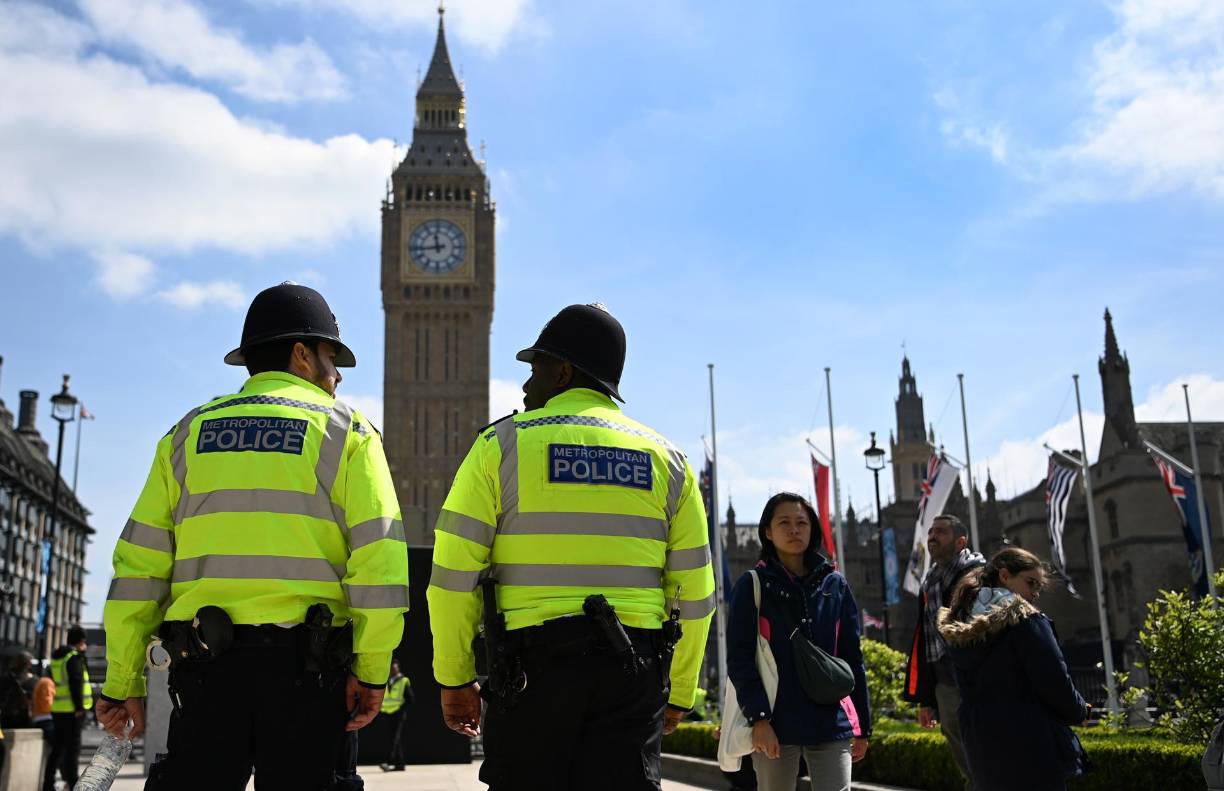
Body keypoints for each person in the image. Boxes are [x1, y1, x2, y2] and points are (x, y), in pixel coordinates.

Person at [94, 282, 410, 791]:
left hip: (204, 673)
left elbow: (139, 569)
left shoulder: (187, 434)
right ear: (302, 355)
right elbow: (380, 568)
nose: (338, 376)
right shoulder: (347, 433)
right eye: (333, 357)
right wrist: (372, 671)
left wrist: (122, 681)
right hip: (308, 677)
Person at [427, 302, 716, 791]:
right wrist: (679, 689)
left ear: (563, 372)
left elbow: (453, 579)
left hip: (531, 675)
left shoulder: (502, 446)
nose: (525, 385)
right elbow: (696, 594)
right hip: (633, 674)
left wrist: (455, 677)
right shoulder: (669, 462)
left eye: (535, 367)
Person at [726, 493, 872, 791]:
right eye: (785, 522)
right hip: (776, 723)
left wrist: (862, 726)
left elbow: (851, 657)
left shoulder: (835, 584)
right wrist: (760, 719)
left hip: (831, 720)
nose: (794, 529)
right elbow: (739, 658)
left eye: (802, 523)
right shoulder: (752, 585)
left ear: (812, 529)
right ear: (768, 531)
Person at [938, 547, 1089, 791]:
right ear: (1005, 576)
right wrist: (1082, 711)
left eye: (1039, 587)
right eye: (1031, 583)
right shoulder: (1026, 622)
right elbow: (1054, 681)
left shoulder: (960, 627)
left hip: (980, 741)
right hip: (1027, 739)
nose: (1035, 594)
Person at [901, 513, 984, 790]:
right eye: (931, 532)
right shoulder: (930, 582)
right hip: (945, 682)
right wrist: (927, 698)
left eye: (941, 532)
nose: (932, 537)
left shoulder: (978, 575)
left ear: (961, 541)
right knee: (962, 751)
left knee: (987, 747)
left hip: (978, 679)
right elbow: (926, 640)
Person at [45, 625, 92, 791]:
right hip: (73, 711)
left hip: (58, 708)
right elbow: (76, 681)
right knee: (73, 748)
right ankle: (73, 782)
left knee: (57, 747)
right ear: (81, 641)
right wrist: (79, 707)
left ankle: (48, 782)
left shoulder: (57, 657)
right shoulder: (73, 658)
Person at [379, 658, 413, 772]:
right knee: (394, 739)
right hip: (387, 713)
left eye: (394, 668)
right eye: (391, 669)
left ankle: (388, 762)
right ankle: (400, 764)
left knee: (394, 739)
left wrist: (400, 710)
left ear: (398, 669)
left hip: (398, 714)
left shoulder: (403, 681)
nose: (392, 671)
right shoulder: (386, 680)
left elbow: (410, 699)